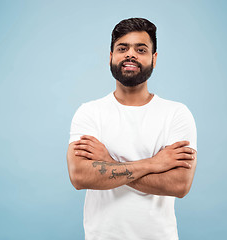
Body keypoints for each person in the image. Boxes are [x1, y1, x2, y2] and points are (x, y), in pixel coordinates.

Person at [67, 17, 197, 240]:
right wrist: (155, 164)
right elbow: (80, 176)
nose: (131, 54)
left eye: (141, 49)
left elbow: (179, 184)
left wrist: (108, 164)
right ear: (111, 57)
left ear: (154, 59)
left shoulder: (176, 114)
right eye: (122, 48)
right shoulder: (89, 112)